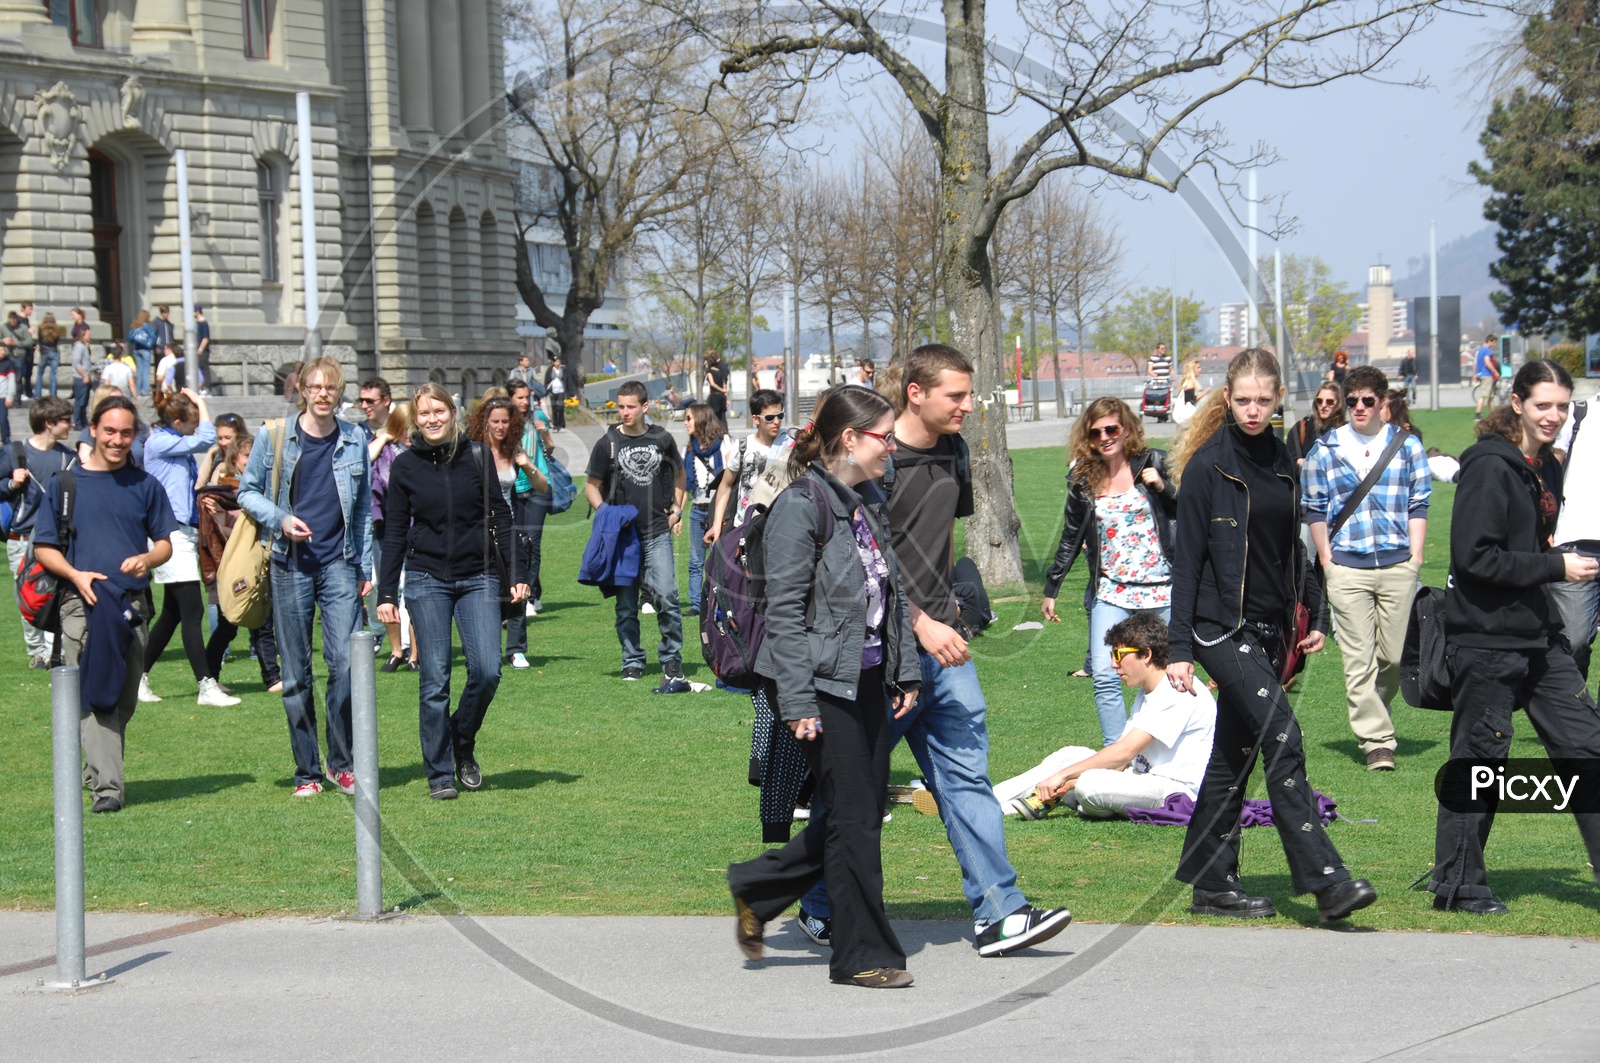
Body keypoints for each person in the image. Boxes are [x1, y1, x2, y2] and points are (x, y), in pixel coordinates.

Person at [1166, 346, 1377, 924]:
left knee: (1232, 758)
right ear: (1226, 398)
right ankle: (1325, 879)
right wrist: (1179, 649)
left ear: (1279, 399)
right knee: (1284, 736)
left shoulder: (1287, 460)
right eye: (1243, 400)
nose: (1253, 410)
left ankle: (1212, 885)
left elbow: (1296, 553)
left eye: (1263, 400)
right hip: (1219, 628)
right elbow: (1186, 565)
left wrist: (1317, 616)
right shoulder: (1209, 467)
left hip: (1271, 629)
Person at [726, 385, 922, 989]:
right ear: (850, 439)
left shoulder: (866, 501)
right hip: (817, 687)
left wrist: (905, 667)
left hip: (863, 678)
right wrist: (798, 701)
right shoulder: (799, 506)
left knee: (845, 812)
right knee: (859, 817)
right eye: (884, 437)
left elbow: (891, 594)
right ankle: (862, 952)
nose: (892, 447)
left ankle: (759, 888)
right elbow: (782, 612)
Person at [887, 343, 1071, 956]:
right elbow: (855, 562)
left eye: (969, 395)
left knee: (967, 778)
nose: (969, 406)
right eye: (956, 396)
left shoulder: (956, 451)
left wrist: (950, 612)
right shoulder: (875, 457)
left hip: (947, 645)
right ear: (916, 392)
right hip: (885, 651)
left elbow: (938, 540)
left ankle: (1001, 914)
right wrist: (917, 622)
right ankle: (816, 903)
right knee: (854, 787)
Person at [1432, 358, 1600, 914]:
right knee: (1482, 763)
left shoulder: (1544, 467)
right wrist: (1556, 568)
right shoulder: (1489, 467)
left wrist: (1553, 561)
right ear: (1518, 404)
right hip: (1486, 640)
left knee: (1587, 747)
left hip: (1538, 635)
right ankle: (1459, 886)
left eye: (1561, 406)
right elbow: (1474, 558)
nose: (1552, 416)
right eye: (1542, 405)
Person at [379, 384, 526, 799]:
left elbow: (501, 514)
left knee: (487, 669)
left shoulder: (476, 456)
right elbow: (393, 533)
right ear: (414, 419)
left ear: (453, 411)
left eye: (437, 411)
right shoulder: (405, 466)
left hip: (478, 576)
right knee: (435, 679)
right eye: (423, 413)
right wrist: (387, 592)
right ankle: (440, 771)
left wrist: (517, 571)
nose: (431, 419)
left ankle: (462, 738)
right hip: (426, 579)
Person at [32, 396, 177, 813]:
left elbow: (166, 542)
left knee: (123, 698)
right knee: (98, 696)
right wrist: (76, 575)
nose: (117, 439)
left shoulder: (145, 485)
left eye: (126, 432)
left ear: (135, 435)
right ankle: (108, 789)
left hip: (132, 606)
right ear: (92, 429)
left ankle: (96, 768)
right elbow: (44, 547)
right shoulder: (65, 484)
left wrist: (148, 558)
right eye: (109, 430)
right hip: (82, 604)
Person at [238, 356, 374, 799]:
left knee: (348, 665)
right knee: (296, 675)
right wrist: (281, 520)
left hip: (339, 564)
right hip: (289, 564)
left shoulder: (354, 439)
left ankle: (341, 763)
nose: (322, 394)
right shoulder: (274, 436)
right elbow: (247, 492)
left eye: (330, 388)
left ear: (339, 392)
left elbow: (362, 513)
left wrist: (364, 568)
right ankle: (307, 771)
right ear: (302, 391)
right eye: (314, 387)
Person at [1301, 365, 1431, 770]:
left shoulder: (1407, 446)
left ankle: (1378, 714)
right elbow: (1314, 508)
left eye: (1367, 400)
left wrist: (1416, 555)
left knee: (1391, 659)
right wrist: (1326, 558)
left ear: (1383, 402)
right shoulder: (1326, 449)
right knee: (1359, 658)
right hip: (1347, 567)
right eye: (1351, 400)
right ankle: (1377, 741)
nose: (1358, 407)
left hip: (1398, 564)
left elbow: (1419, 502)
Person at [1041, 397, 1178, 745]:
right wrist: (1052, 587)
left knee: (1162, 675)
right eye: (1096, 431)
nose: (1105, 436)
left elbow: (1189, 509)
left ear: (1127, 429)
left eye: (1112, 428)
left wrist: (1163, 486)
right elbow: (1071, 535)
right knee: (1104, 672)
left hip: (1160, 588)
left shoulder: (1155, 462)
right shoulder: (1083, 480)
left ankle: (1158, 748)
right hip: (1111, 590)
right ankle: (1116, 753)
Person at [995, 612, 1216, 820]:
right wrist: (1066, 776)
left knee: (1089, 784)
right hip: (1139, 777)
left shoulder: (1176, 689)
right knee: (1069, 755)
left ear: (1146, 654)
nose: (1113, 664)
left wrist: (1064, 777)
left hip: (1176, 791)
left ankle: (1081, 799)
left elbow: (1123, 753)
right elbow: (1121, 758)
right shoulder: (1146, 693)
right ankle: (989, 800)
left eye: (1119, 655)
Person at [136, 388, 239, 707]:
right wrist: (202, 403)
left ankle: (137, 677)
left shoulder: (173, 442)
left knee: (171, 614)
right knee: (193, 609)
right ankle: (206, 685)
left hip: (181, 531)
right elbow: (207, 436)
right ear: (178, 422)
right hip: (169, 533)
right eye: (191, 421)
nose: (196, 426)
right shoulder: (159, 442)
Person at [584, 380, 687, 685]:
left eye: (631, 406)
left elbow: (680, 474)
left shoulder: (662, 439)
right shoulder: (608, 443)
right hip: (624, 537)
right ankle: (632, 659)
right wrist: (606, 515)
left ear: (645, 407)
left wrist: (677, 510)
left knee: (667, 596)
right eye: (621, 406)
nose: (624, 412)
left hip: (657, 532)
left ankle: (671, 658)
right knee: (627, 605)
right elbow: (591, 487)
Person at [467, 394, 547, 670]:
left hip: (509, 528)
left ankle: (516, 650)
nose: (500, 427)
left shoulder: (513, 450)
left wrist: (526, 464)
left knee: (518, 587)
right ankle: (484, 648)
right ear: (484, 422)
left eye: (505, 421)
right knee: (484, 590)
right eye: (495, 421)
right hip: (477, 531)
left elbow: (543, 487)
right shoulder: (472, 450)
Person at [197, 432, 282, 693]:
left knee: (261, 620)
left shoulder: (265, 488)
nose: (252, 460)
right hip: (235, 565)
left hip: (261, 562)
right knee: (228, 624)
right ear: (235, 459)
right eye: (247, 455)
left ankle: (272, 678)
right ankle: (210, 676)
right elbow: (220, 532)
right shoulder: (223, 491)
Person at [0, 396, 76, 667]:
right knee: (28, 593)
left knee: (53, 592)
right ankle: (36, 651)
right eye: (66, 420)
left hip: (56, 539)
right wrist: (10, 482)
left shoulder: (70, 457)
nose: (71, 424)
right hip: (21, 537)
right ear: (49, 423)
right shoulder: (14, 451)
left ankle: (50, 651)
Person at [1552, 389, 1599, 686]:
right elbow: (1547, 472)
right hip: (1574, 543)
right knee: (1575, 640)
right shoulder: (1576, 413)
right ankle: (1572, 718)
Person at [371, 401, 418, 672]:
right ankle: (396, 650)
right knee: (386, 591)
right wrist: (386, 436)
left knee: (414, 592)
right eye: (407, 427)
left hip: (417, 530)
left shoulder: (424, 454)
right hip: (385, 529)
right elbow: (363, 464)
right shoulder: (384, 452)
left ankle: (415, 653)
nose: (411, 433)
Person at [708, 388, 788, 540]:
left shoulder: (790, 444)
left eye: (780, 416)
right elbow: (725, 485)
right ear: (756, 419)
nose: (776, 422)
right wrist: (717, 523)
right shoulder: (743, 446)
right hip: (745, 526)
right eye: (770, 418)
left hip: (780, 527)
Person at [508, 380, 554, 617]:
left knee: (533, 542)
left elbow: (551, 448)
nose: (526, 402)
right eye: (520, 398)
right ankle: (527, 588)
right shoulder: (505, 422)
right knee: (518, 542)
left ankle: (530, 597)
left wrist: (543, 433)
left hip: (538, 486)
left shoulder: (538, 418)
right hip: (514, 489)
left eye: (528, 397)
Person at [682, 401, 725, 614]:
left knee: (719, 558)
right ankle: (695, 604)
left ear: (700, 419)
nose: (685, 423)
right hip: (697, 508)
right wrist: (677, 512)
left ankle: (719, 601)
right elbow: (683, 485)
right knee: (695, 560)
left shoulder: (724, 445)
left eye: (688, 418)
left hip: (718, 510)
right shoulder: (689, 448)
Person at [1285, 382, 1345, 468]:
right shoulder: (1301, 428)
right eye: (1319, 401)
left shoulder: (1345, 431)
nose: (1323, 405)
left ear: (1338, 404)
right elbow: (1289, 464)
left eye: (1330, 402)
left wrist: (1306, 462)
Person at [127, 310, 157, 398]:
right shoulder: (146, 325)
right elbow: (153, 336)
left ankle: (138, 390)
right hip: (145, 349)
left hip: (136, 349)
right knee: (145, 370)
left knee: (139, 370)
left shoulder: (135, 325)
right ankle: (146, 390)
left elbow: (130, 337)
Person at [70, 325, 93, 428]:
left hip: (86, 377)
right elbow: (76, 362)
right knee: (80, 401)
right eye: (88, 334)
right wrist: (84, 375)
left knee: (84, 402)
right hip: (80, 378)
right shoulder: (79, 346)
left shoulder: (85, 346)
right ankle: (78, 422)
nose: (90, 336)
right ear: (83, 335)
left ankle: (83, 421)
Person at [1472, 335, 1500, 420]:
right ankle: (1477, 415)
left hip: (1480, 374)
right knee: (1483, 396)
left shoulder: (1479, 350)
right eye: (1494, 342)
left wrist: (1475, 374)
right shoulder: (1487, 350)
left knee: (1490, 396)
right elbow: (1487, 363)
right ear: (1490, 341)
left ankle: (1494, 415)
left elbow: (1475, 363)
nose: (1494, 344)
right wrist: (1495, 372)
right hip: (1486, 375)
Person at [34, 313, 61, 399]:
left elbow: (40, 341)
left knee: (40, 374)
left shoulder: (41, 328)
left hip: (44, 353)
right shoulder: (56, 329)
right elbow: (57, 341)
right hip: (54, 352)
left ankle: (37, 394)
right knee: (53, 374)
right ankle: (53, 394)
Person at [358, 377, 392, 441]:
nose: (363, 406)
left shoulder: (402, 430)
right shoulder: (357, 432)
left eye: (370, 401)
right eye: (361, 401)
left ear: (386, 401)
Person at [704, 348, 730, 425]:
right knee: (722, 418)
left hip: (715, 396)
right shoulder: (720, 368)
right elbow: (724, 383)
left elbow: (723, 382)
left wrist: (724, 392)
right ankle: (724, 435)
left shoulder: (719, 368)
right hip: (721, 396)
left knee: (713, 418)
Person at [545, 356, 569, 430]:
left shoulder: (563, 370)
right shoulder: (549, 370)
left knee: (560, 408)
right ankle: (555, 424)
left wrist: (571, 393)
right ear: (553, 363)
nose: (557, 363)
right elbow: (546, 381)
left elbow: (568, 381)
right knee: (554, 408)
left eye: (558, 361)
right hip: (553, 392)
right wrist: (545, 392)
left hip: (561, 391)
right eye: (556, 362)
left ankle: (561, 424)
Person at [192, 306, 212, 394]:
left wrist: (200, 349)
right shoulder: (197, 323)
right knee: (199, 369)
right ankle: (201, 387)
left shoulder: (203, 323)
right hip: (197, 351)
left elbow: (205, 338)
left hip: (202, 352)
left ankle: (207, 388)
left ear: (197, 312)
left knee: (204, 370)